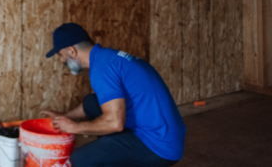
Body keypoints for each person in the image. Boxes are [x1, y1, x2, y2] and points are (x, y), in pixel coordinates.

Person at [41, 23, 186, 167]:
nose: (61, 60)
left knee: (81, 160)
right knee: (92, 102)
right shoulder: (106, 57)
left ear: (72, 51)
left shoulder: (102, 69)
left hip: (159, 145)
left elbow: (115, 123)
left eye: (60, 55)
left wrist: (75, 127)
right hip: (164, 133)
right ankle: (112, 153)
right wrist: (65, 117)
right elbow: (98, 106)